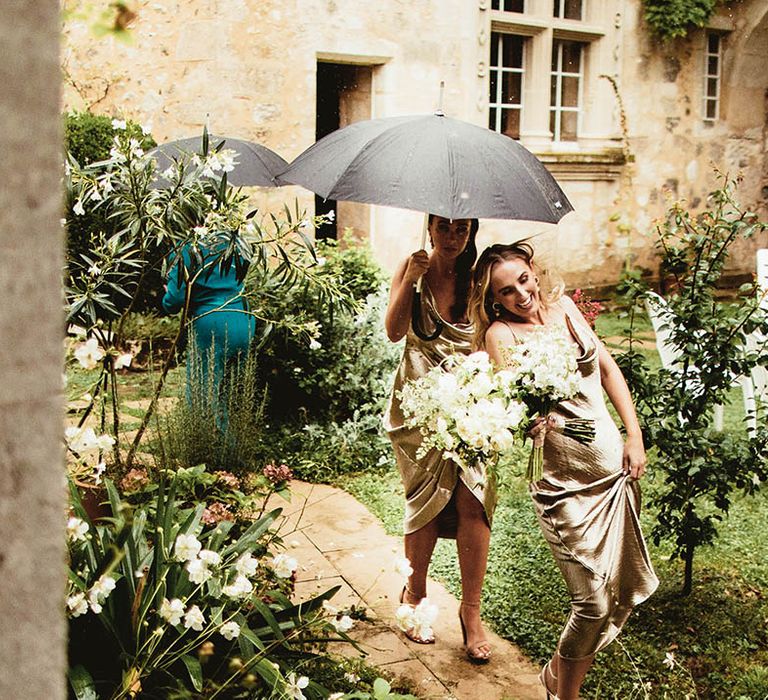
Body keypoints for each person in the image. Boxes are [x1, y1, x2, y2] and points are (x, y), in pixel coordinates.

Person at [468, 243, 658, 699]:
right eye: (506, 291)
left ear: (534, 271)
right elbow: (512, 408)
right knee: (591, 602)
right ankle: (564, 695)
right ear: (494, 300)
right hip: (563, 486)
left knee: (611, 591)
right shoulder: (501, 335)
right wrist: (529, 419)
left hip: (615, 472)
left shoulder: (567, 308)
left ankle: (557, 676)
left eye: (524, 279)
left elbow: (608, 371)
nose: (521, 294)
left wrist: (634, 436)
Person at [383, 214, 496, 663]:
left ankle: (471, 614)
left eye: (461, 229)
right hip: (418, 403)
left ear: (471, 232)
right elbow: (394, 333)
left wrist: (475, 378)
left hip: (470, 402)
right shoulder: (413, 267)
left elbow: (490, 338)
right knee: (426, 502)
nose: (452, 238)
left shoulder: (479, 277)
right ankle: (414, 596)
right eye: (444, 227)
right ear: (429, 227)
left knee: (474, 498)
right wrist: (410, 281)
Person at [162, 243, 255, 430]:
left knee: (203, 396)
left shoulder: (188, 246)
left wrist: (168, 295)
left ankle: (214, 455)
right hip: (243, 317)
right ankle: (236, 453)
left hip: (211, 323)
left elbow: (174, 300)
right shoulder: (236, 241)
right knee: (233, 397)